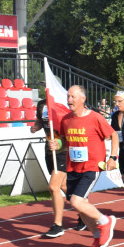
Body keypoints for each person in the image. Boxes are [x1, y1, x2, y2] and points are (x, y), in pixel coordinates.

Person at [48, 85, 118, 247]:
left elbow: (113, 135)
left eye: (72, 97)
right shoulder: (66, 120)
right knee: (80, 205)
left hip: (91, 166)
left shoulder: (95, 118)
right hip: (73, 167)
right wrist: (57, 144)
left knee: (76, 201)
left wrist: (113, 157)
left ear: (82, 99)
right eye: (68, 97)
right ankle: (96, 235)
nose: (69, 100)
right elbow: (65, 141)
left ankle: (105, 221)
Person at [32, 89, 69, 238]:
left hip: (63, 152)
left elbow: (69, 133)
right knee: (63, 186)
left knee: (53, 187)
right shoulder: (42, 106)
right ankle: (83, 210)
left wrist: (60, 143)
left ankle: (58, 225)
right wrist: (36, 127)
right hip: (49, 152)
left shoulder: (61, 110)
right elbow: (40, 120)